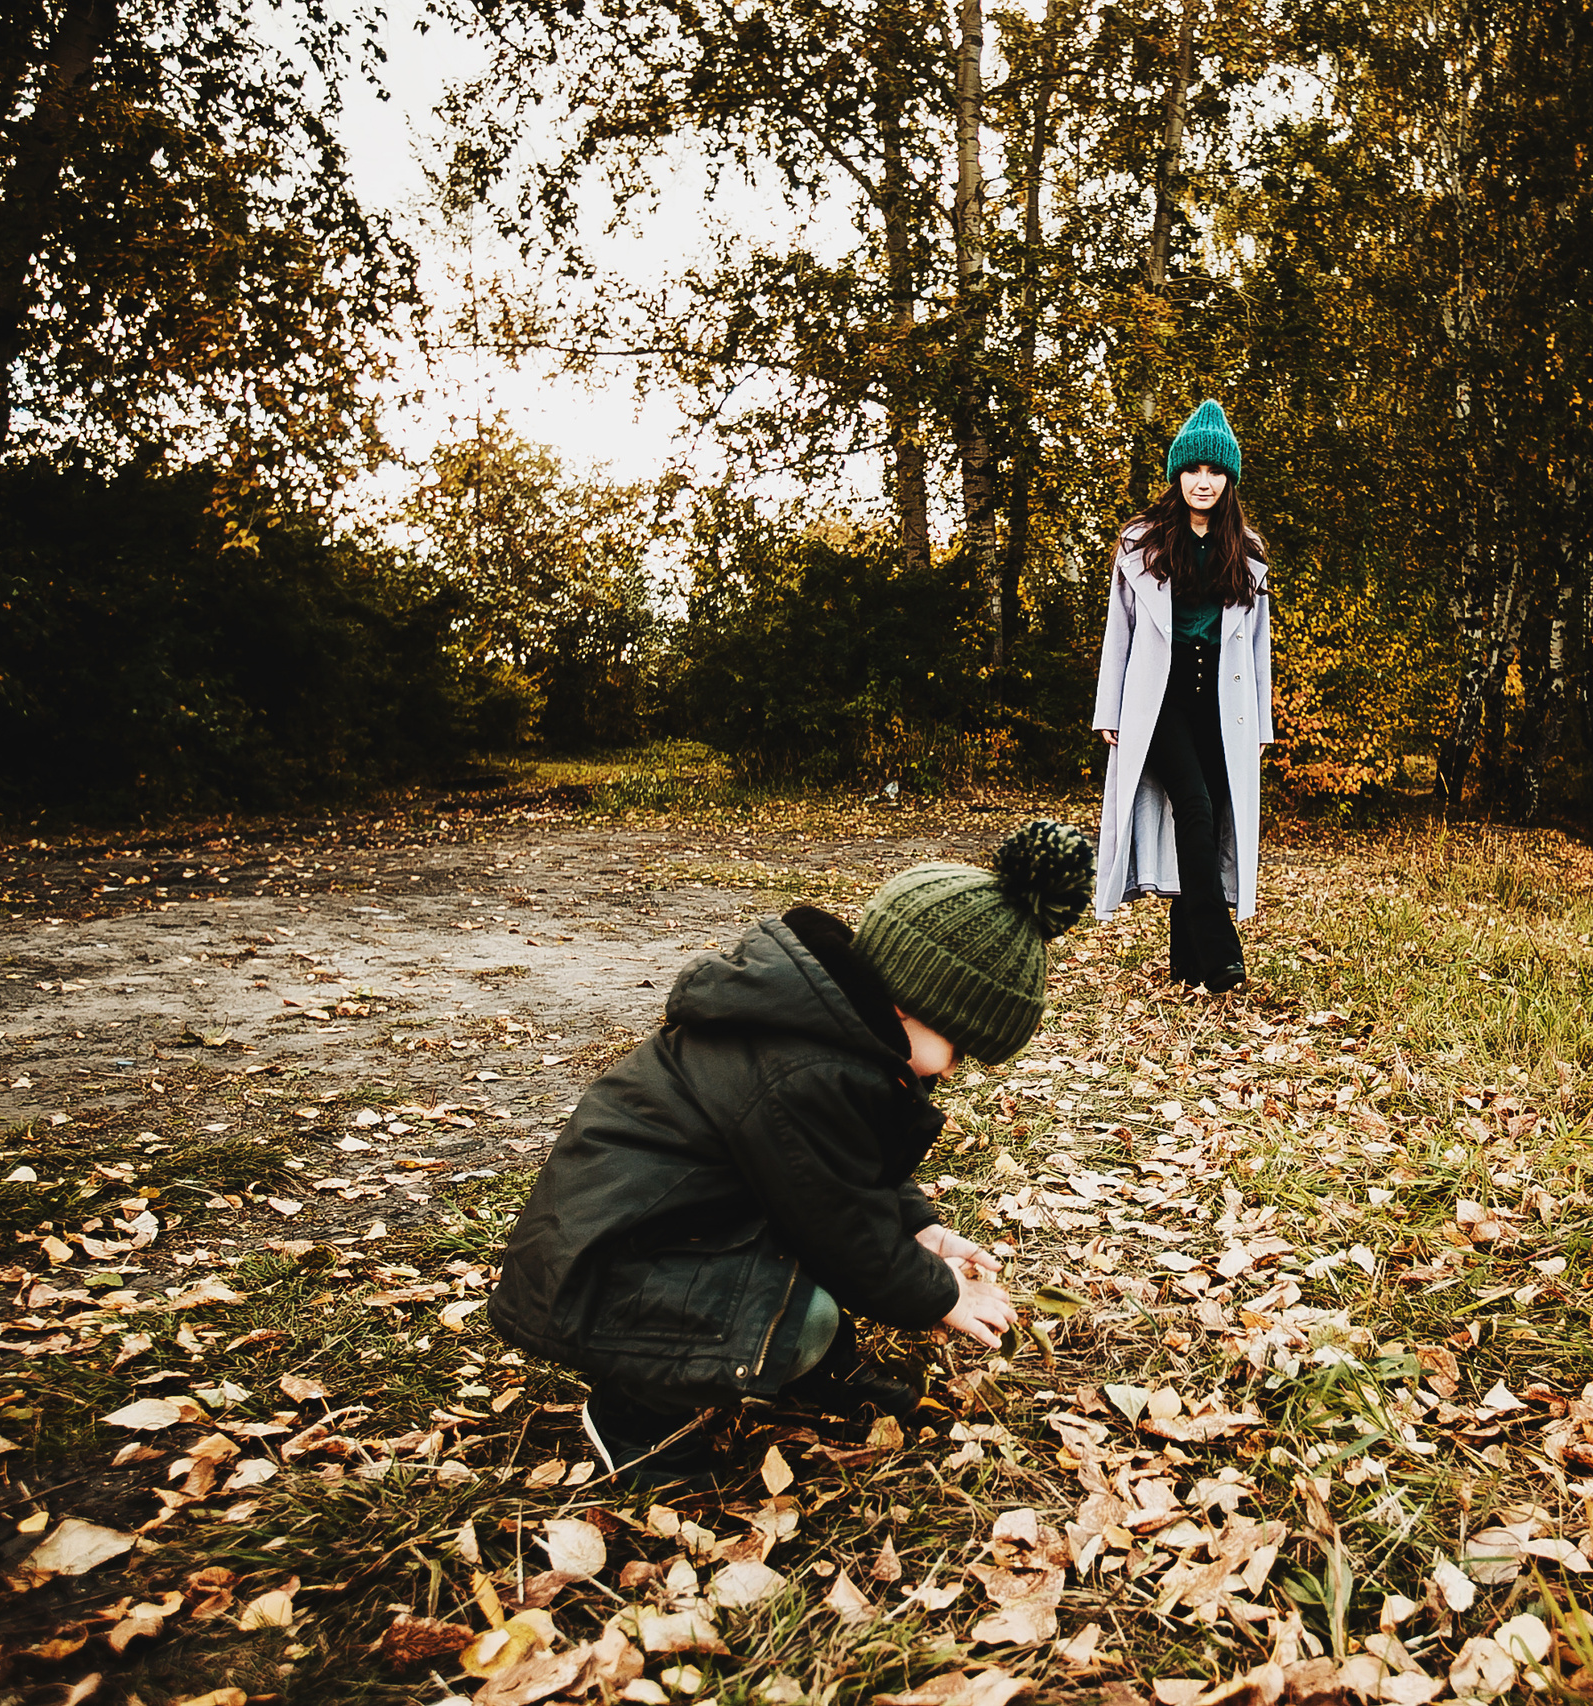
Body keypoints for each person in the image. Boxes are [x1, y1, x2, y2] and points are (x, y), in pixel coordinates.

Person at [486, 819, 1097, 1483]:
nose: (952, 1070)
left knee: (801, 1252)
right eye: (959, 1047)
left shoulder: (825, 1039)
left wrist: (922, 1229)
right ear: (915, 1002)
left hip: (662, 1235)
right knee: (808, 1310)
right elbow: (845, 1233)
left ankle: (813, 1372)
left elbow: (845, 1176)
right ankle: (637, 1414)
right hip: (613, 1266)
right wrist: (940, 1293)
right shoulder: (805, 1072)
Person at [1092, 399, 1274, 991]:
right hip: (1160, 699)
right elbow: (1118, 632)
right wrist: (1108, 710)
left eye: (1215, 472)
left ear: (1229, 480)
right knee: (1192, 808)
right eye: (1194, 470)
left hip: (1222, 703)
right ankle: (1222, 955)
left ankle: (1186, 963)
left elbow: (1257, 648)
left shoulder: (1246, 554)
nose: (1204, 481)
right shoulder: (1140, 544)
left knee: (1211, 819)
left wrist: (1261, 724)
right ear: (1178, 474)